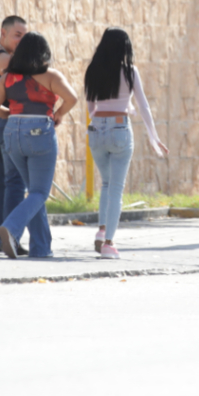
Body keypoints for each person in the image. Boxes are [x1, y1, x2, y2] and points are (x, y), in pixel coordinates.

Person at [0, 32, 77, 258]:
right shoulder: (50, 76)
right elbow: (72, 98)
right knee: (39, 192)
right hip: (40, 132)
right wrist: (59, 115)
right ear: (43, 53)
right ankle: (12, 228)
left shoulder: (7, 78)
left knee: (34, 194)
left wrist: (15, 118)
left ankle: (41, 248)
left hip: (12, 134)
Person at [84, 28, 168, 260]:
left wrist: (117, 110)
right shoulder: (130, 72)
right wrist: (154, 136)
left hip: (96, 131)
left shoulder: (92, 70)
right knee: (116, 188)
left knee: (106, 183)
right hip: (120, 130)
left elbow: (92, 108)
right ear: (124, 48)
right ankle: (109, 244)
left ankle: (101, 231)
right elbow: (143, 106)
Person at [0, 15, 45, 253]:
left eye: (25, 36)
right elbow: (23, 84)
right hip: (2, 124)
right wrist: (13, 115)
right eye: (17, 35)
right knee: (14, 183)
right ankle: (12, 235)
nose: (21, 40)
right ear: (3, 33)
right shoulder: (5, 59)